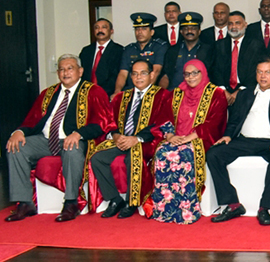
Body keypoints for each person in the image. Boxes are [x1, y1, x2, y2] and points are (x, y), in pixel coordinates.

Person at [5, 54, 113, 222]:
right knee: (15, 147)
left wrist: (79, 134)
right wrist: (19, 132)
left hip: (74, 140)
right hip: (46, 140)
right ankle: (25, 203)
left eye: (70, 68)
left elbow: (103, 121)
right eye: (61, 69)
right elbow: (32, 119)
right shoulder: (48, 93)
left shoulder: (93, 91)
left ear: (80, 71)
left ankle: (70, 203)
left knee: (72, 149)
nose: (65, 73)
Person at [205, 58, 270, 225]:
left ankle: (265, 208)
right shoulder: (245, 93)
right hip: (243, 141)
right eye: (260, 72)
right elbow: (235, 119)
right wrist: (228, 135)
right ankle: (232, 203)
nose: (263, 76)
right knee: (214, 153)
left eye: (267, 72)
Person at [89, 59, 173, 219]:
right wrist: (115, 135)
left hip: (148, 141)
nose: (138, 77)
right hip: (122, 140)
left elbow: (161, 123)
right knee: (97, 157)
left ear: (152, 74)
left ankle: (131, 201)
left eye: (143, 73)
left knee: (133, 156)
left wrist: (137, 138)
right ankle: (114, 199)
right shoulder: (122, 96)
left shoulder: (163, 96)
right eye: (134, 73)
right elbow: (110, 120)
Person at [149, 59, 227, 224]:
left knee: (183, 155)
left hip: (201, 139)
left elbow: (215, 123)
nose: (191, 77)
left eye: (195, 73)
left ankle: (186, 210)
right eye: (187, 74)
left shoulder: (216, 93)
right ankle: (165, 209)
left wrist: (189, 138)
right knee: (163, 153)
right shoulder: (177, 93)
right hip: (176, 137)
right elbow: (164, 117)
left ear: (203, 72)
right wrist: (170, 136)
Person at [211, 11, 266, 106]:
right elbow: (215, 69)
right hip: (223, 92)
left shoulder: (256, 45)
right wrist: (223, 90)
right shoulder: (219, 45)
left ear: (245, 25)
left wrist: (240, 91)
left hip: (247, 91)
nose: (234, 27)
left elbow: (256, 70)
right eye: (230, 24)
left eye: (237, 23)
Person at [159, 12, 214, 90]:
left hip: (198, 95)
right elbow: (166, 75)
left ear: (199, 31)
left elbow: (212, 76)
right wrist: (162, 94)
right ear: (181, 32)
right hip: (174, 93)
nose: (189, 31)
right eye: (186, 29)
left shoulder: (209, 50)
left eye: (193, 28)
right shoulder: (173, 50)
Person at [115, 13, 167, 94]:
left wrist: (144, 92)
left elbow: (156, 71)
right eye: (137, 29)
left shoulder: (160, 47)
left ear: (152, 32)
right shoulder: (129, 49)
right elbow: (123, 73)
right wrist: (117, 91)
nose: (139, 32)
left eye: (144, 29)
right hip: (130, 91)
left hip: (151, 91)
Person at [79, 18, 124, 97]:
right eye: (97, 28)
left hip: (108, 95)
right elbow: (81, 73)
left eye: (104, 27)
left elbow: (116, 76)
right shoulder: (86, 51)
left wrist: (100, 93)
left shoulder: (119, 50)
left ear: (111, 31)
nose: (100, 30)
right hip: (86, 94)